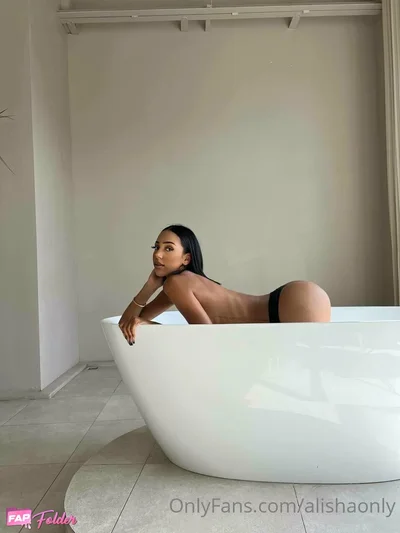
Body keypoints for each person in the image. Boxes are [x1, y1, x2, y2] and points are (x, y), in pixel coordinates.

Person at [118, 224, 331, 345]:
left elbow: (206, 334)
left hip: (286, 307)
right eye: (156, 247)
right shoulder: (178, 284)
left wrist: (150, 326)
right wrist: (149, 286)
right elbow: (127, 323)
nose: (158, 254)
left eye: (168, 248)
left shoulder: (176, 284)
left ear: (186, 259)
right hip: (291, 298)